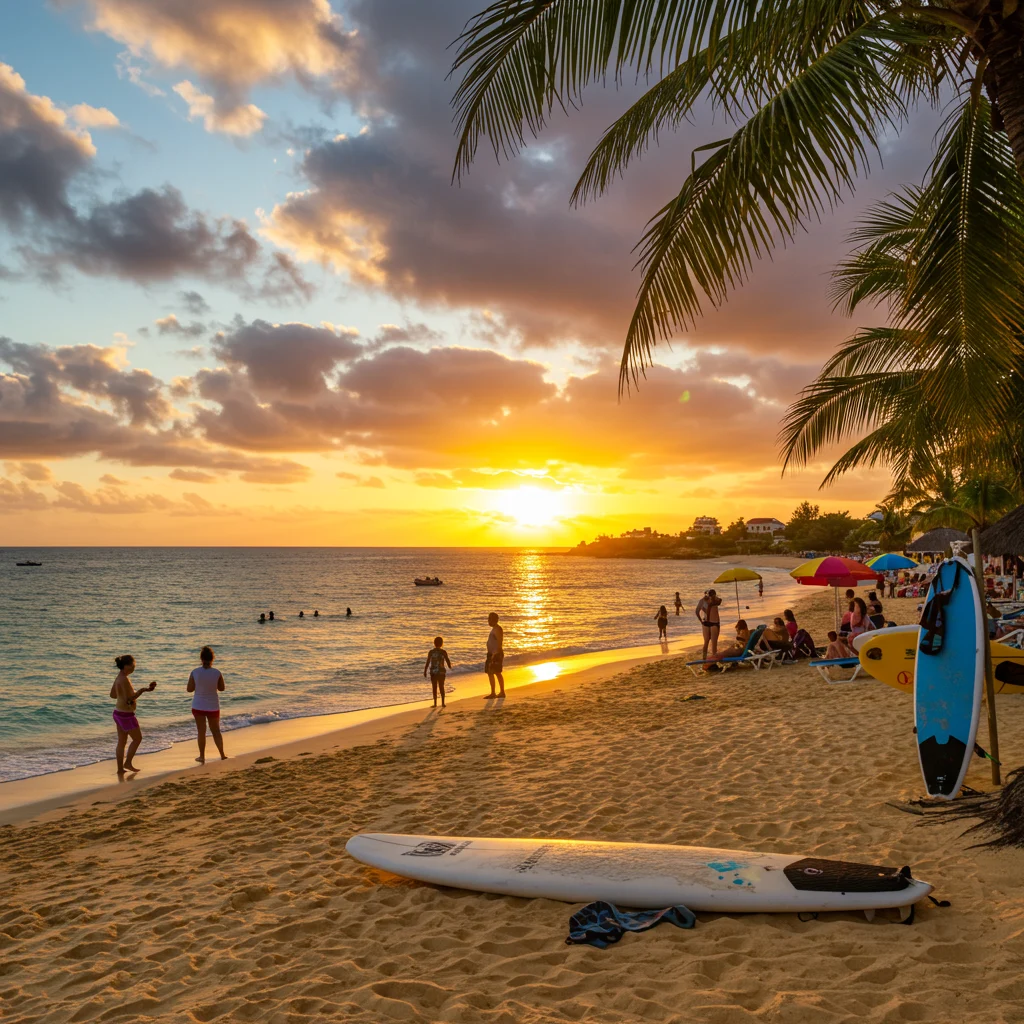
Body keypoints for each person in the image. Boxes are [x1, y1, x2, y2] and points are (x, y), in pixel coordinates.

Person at [109, 655, 156, 775]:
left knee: (121, 741)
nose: (134, 667)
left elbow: (113, 695)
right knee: (137, 738)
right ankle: (128, 763)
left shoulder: (118, 677)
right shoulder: (124, 679)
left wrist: (125, 695)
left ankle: (120, 769)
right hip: (126, 715)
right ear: (126, 666)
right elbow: (129, 700)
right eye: (133, 665)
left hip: (117, 713)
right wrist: (144, 690)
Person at [187, 646, 226, 764]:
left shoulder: (195, 672)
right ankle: (222, 755)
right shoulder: (217, 673)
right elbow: (222, 688)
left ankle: (202, 756)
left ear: (201, 658)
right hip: (213, 706)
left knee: (201, 731)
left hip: (198, 705)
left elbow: (189, 689)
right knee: (216, 731)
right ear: (212, 658)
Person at [423, 636, 452, 708]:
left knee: (434, 687)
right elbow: (447, 660)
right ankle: (443, 703)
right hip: (441, 672)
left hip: (433, 672)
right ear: (442, 643)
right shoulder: (443, 652)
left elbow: (428, 662)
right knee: (441, 686)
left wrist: (425, 670)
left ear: (434, 643)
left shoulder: (431, 652)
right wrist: (450, 666)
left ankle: (435, 703)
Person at [696, 589, 722, 660]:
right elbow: (720, 601)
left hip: (705, 623)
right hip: (714, 623)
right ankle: (714, 660)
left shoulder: (702, 601)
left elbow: (697, 611)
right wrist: (714, 597)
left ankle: (704, 659)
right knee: (714, 643)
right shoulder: (715, 601)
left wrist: (700, 620)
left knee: (706, 642)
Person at [485, 612, 505, 699]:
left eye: (489, 619)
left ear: (493, 620)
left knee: (496, 672)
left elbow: (499, 642)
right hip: (492, 654)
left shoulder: (497, 629)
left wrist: (496, 653)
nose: (488, 621)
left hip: (495, 654)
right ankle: (494, 692)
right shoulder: (494, 629)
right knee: (491, 672)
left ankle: (499, 692)